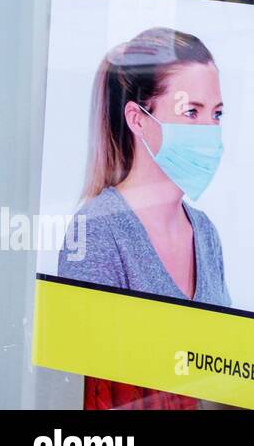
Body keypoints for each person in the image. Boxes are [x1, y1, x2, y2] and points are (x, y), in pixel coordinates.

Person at [58, 27, 230, 307]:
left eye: (217, 114)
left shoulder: (205, 232)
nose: (210, 130)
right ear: (138, 119)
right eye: (191, 111)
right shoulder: (97, 231)